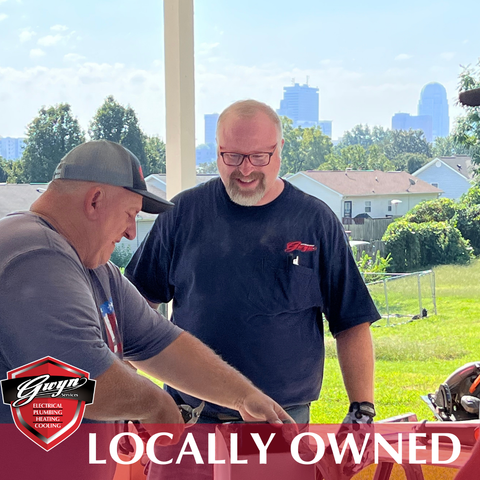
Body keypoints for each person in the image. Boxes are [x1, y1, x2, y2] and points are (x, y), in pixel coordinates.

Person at [0, 140, 292, 480]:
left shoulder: (93, 267)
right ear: (95, 200)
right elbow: (71, 382)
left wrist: (243, 397)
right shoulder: (34, 255)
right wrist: (154, 405)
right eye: (130, 215)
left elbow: (162, 344)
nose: (129, 232)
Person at [126, 99, 380, 427]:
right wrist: (130, 399)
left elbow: (352, 322)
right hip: (188, 418)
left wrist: (362, 409)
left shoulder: (315, 220)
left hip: (282, 422)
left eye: (260, 156)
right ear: (217, 150)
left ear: (280, 149)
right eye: (232, 156)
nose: (246, 170)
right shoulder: (182, 213)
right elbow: (133, 311)